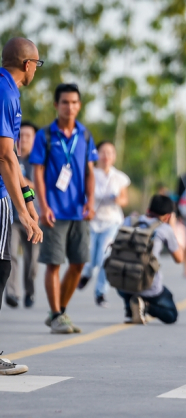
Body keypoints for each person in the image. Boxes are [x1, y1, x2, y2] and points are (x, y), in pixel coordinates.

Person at [31, 83, 97, 334]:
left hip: (79, 211)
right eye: (65, 102)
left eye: (74, 102)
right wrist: (43, 205)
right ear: (56, 105)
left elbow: (90, 172)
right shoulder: (45, 136)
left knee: (79, 262)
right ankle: (57, 314)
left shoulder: (85, 135)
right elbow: (37, 172)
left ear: (79, 105)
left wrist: (90, 202)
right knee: (54, 263)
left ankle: (59, 310)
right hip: (54, 212)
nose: (70, 107)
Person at [0, 37, 44, 376]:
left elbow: (16, 164)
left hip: (7, 190)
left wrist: (29, 206)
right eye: (37, 64)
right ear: (27, 65)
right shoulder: (7, 92)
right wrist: (23, 214)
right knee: (1, 269)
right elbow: (5, 157)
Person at [118, 195, 185, 325]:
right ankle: (145, 306)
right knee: (172, 315)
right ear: (168, 216)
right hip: (148, 286)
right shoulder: (164, 229)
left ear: (148, 209)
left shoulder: (128, 221)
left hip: (121, 282)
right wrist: (173, 228)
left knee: (128, 270)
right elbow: (179, 258)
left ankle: (129, 306)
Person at [78, 141, 130, 307]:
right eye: (103, 152)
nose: (106, 156)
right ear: (96, 154)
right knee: (91, 256)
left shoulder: (119, 177)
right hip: (92, 222)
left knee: (104, 257)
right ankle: (86, 273)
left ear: (114, 156)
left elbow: (124, 199)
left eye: (110, 153)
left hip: (111, 222)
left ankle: (101, 292)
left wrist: (116, 199)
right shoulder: (89, 173)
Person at [6, 121, 40, 309]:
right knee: (10, 254)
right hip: (12, 215)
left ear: (34, 139)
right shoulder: (8, 156)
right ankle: (12, 293)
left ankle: (30, 291)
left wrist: (21, 180)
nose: (24, 139)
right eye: (21, 135)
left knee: (32, 259)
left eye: (28, 136)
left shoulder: (39, 161)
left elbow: (42, 188)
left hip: (34, 218)